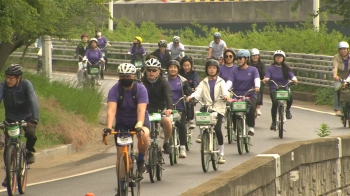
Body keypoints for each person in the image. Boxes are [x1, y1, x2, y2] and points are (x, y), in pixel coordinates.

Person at [104, 63, 150, 193]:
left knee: (145, 135)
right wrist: (108, 127)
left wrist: (140, 125)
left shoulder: (141, 89)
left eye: (128, 76)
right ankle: (121, 184)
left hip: (139, 120)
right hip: (122, 123)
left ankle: (141, 159)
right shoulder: (114, 90)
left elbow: (141, 110)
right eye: (122, 76)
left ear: (134, 76)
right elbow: (111, 110)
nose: (125, 78)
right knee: (120, 155)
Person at [0, 64, 40, 187]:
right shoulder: (3, 86)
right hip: (11, 118)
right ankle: (8, 175)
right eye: (7, 77)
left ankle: (28, 152)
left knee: (30, 134)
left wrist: (34, 119)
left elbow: (33, 100)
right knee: (8, 147)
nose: (8, 80)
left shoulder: (26, 85)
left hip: (27, 118)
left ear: (19, 78)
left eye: (11, 78)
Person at [186, 59, 229, 164]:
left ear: (217, 70)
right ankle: (202, 134)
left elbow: (225, 91)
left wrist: (226, 96)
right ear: (207, 69)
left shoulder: (221, 81)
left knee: (218, 129)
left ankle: (222, 153)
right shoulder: (203, 82)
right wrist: (191, 97)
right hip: (207, 107)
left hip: (218, 108)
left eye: (214, 68)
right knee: (201, 116)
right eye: (210, 68)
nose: (212, 70)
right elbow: (198, 92)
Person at [141, 58, 173, 154]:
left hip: (160, 109)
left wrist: (169, 108)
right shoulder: (141, 82)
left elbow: (168, 95)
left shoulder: (163, 82)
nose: (151, 72)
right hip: (146, 110)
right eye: (149, 70)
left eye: (154, 70)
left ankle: (166, 142)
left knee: (167, 121)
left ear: (159, 71)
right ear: (145, 71)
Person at [226, 49, 260, 136]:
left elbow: (256, 79)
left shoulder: (253, 70)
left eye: (241, 58)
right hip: (237, 94)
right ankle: (234, 129)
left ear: (246, 59)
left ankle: (251, 127)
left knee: (251, 107)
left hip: (250, 93)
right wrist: (225, 89)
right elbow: (230, 81)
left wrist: (257, 87)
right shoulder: (234, 71)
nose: (239, 60)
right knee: (232, 108)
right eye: (238, 58)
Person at [262, 50, 298, 130]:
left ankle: (288, 109)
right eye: (277, 57)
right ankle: (274, 122)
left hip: (284, 88)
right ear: (274, 58)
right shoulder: (271, 68)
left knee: (290, 98)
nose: (278, 59)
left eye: (280, 57)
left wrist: (294, 79)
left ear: (283, 58)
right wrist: (266, 79)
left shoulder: (286, 68)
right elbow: (267, 75)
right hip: (274, 88)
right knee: (274, 103)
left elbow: (291, 75)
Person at [167, 60, 192, 158]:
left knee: (182, 126)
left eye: (175, 67)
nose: (173, 69)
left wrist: (188, 96)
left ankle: (182, 148)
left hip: (180, 107)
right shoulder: (164, 79)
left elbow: (188, 90)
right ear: (168, 69)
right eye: (171, 67)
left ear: (178, 69)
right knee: (166, 124)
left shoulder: (183, 80)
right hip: (168, 108)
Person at [179, 56, 199, 129]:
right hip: (180, 92)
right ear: (181, 66)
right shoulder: (179, 73)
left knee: (189, 102)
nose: (186, 67)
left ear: (191, 66)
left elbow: (196, 81)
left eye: (188, 65)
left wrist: (196, 87)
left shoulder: (194, 74)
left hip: (190, 93)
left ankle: (191, 119)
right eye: (185, 65)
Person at [332, 41, 350, 116]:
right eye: (341, 49)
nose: (343, 51)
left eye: (345, 49)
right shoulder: (336, 57)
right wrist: (335, 75)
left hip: (349, 77)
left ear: (348, 50)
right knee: (337, 89)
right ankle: (338, 108)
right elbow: (334, 66)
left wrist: (347, 81)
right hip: (339, 77)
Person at [250, 48, 266, 117]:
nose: (255, 57)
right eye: (253, 55)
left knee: (260, 90)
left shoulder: (262, 65)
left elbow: (265, 73)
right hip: (250, 82)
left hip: (259, 81)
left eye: (256, 55)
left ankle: (258, 107)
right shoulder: (248, 64)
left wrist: (264, 78)